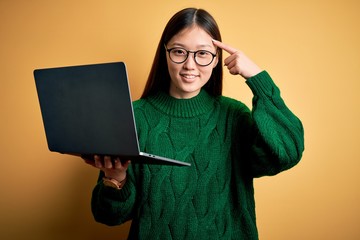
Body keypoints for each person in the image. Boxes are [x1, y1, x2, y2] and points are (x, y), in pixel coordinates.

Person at [83, 7, 304, 240]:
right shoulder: (134, 117)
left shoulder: (234, 116)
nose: (190, 64)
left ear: (216, 59)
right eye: (179, 52)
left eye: (202, 54)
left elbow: (287, 152)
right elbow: (108, 217)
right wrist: (115, 178)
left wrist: (257, 77)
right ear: (165, 53)